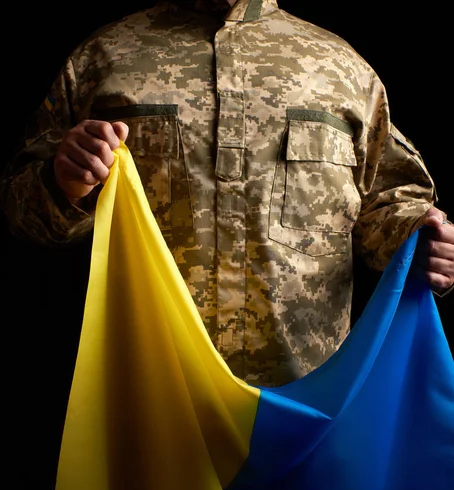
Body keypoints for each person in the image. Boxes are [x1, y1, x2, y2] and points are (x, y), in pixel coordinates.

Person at [1, 0, 454, 389]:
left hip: (302, 410)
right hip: (148, 405)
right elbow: (20, 211)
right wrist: (64, 184)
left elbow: (388, 201)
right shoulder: (101, 60)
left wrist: (419, 238)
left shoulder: (343, 72)